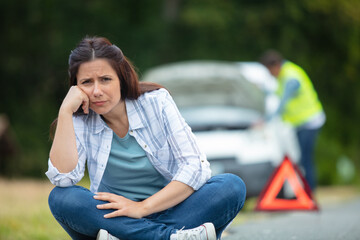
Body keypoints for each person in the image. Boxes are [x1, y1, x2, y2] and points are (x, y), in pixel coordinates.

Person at [46, 36, 246, 240]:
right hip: (115, 218)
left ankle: (143, 236)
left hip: (172, 210)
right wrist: (65, 112)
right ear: (76, 87)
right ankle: (170, 237)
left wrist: (142, 208)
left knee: (231, 186)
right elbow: (62, 178)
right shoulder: (78, 120)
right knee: (61, 197)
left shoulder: (156, 102)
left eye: (105, 79)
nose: (97, 91)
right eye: (87, 82)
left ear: (121, 79)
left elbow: (195, 167)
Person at [259, 50, 326, 190]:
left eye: (269, 71)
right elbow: (278, 94)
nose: (270, 74)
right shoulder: (283, 76)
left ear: (275, 66)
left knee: (305, 158)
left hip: (310, 122)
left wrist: (266, 120)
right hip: (300, 124)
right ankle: (306, 190)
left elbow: (283, 101)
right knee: (301, 158)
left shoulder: (291, 76)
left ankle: (310, 192)